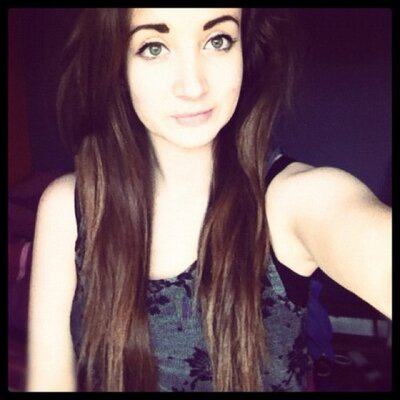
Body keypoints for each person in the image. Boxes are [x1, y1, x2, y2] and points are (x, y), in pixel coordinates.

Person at [26, 8, 392, 392]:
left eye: (218, 40)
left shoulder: (295, 201)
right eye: (154, 47)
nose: (193, 86)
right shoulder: (69, 210)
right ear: (117, 65)